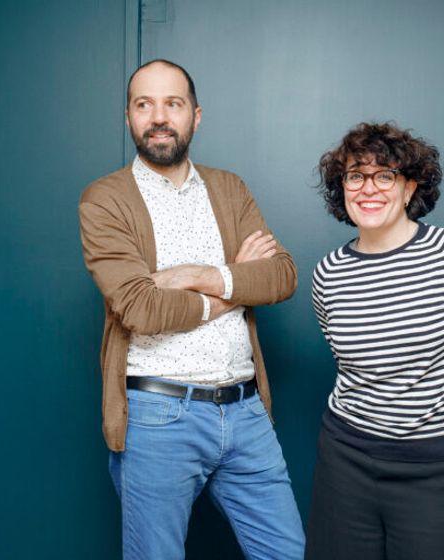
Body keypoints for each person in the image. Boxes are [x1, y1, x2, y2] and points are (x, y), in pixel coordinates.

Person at [78, 59, 305, 560]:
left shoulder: (230, 189)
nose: (159, 117)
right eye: (144, 105)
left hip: (246, 412)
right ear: (128, 116)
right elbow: (140, 307)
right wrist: (235, 283)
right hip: (158, 417)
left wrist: (196, 273)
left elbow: (282, 275)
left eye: (173, 104)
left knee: (287, 552)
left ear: (195, 116)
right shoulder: (105, 200)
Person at [306, 122, 444, 559]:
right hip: (345, 459)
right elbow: (348, 362)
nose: (368, 188)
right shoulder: (328, 274)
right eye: (355, 176)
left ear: (409, 187)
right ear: (342, 188)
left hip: (436, 467)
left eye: (385, 175)